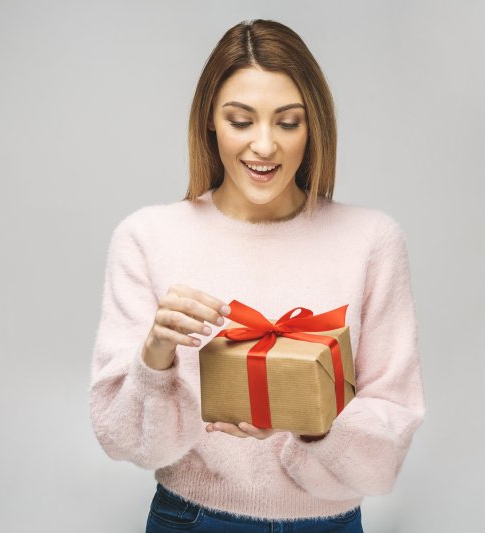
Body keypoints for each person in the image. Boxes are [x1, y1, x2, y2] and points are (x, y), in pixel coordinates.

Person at [88, 18, 425, 532]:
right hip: (192, 519)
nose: (264, 146)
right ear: (210, 122)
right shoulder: (147, 237)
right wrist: (154, 357)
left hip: (328, 523)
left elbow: (388, 441)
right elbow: (123, 440)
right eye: (241, 120)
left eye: (287, 122)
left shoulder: (372, 240)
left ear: (314, 127)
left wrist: (307, 422)